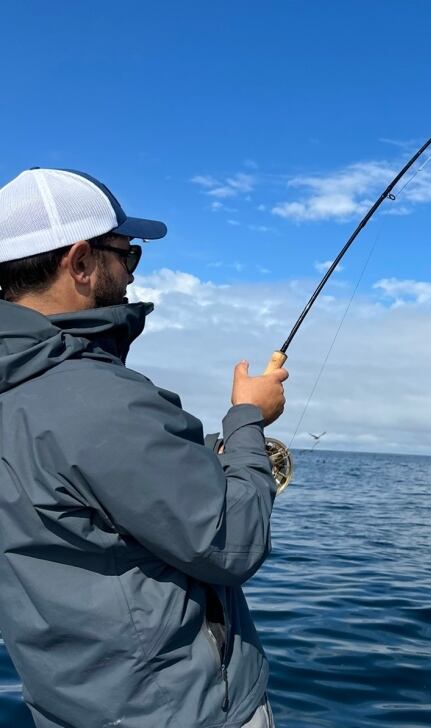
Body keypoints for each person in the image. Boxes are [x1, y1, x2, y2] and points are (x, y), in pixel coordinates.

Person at [0, 168, 287, 728]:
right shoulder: (102, 401)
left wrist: (204, 454)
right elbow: (234, 542)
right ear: (81, 262)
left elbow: (78, 498)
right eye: (126, 254)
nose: (131, 273)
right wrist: (250, 421)